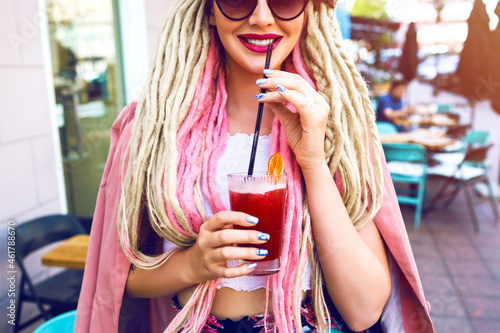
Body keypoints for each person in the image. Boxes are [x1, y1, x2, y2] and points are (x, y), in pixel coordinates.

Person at [75, 1, 434, 332]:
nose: (261, 16)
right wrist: (192, 265)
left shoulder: (339, 126)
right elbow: (121, 279)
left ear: (309, 11)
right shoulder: (152, 128)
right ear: (209, 10)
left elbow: (364, 310)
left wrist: (313, 164)